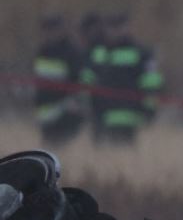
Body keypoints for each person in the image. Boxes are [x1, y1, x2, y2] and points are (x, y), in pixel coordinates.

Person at [82, 12, 162, 145]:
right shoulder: (97, 51)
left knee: (122, 150)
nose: (114, 32)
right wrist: (84, 101)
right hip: (100, 114)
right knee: (100, 152)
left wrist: (150, 109)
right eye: (111, 27)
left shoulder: (140, 52)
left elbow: (151, 83)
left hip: (127, 114)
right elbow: (86, 78)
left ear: (127, 28)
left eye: (118, 27)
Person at [32, 15, 86, 146]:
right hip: (46, 109)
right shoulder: (42, 51)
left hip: (66, 109)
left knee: (65, 146)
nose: (50, 33)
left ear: (61, 30)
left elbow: (79, 80)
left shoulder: (71, 51)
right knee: (48, 147)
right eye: (47, 30)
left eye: (53, 29)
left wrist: (75, 101)